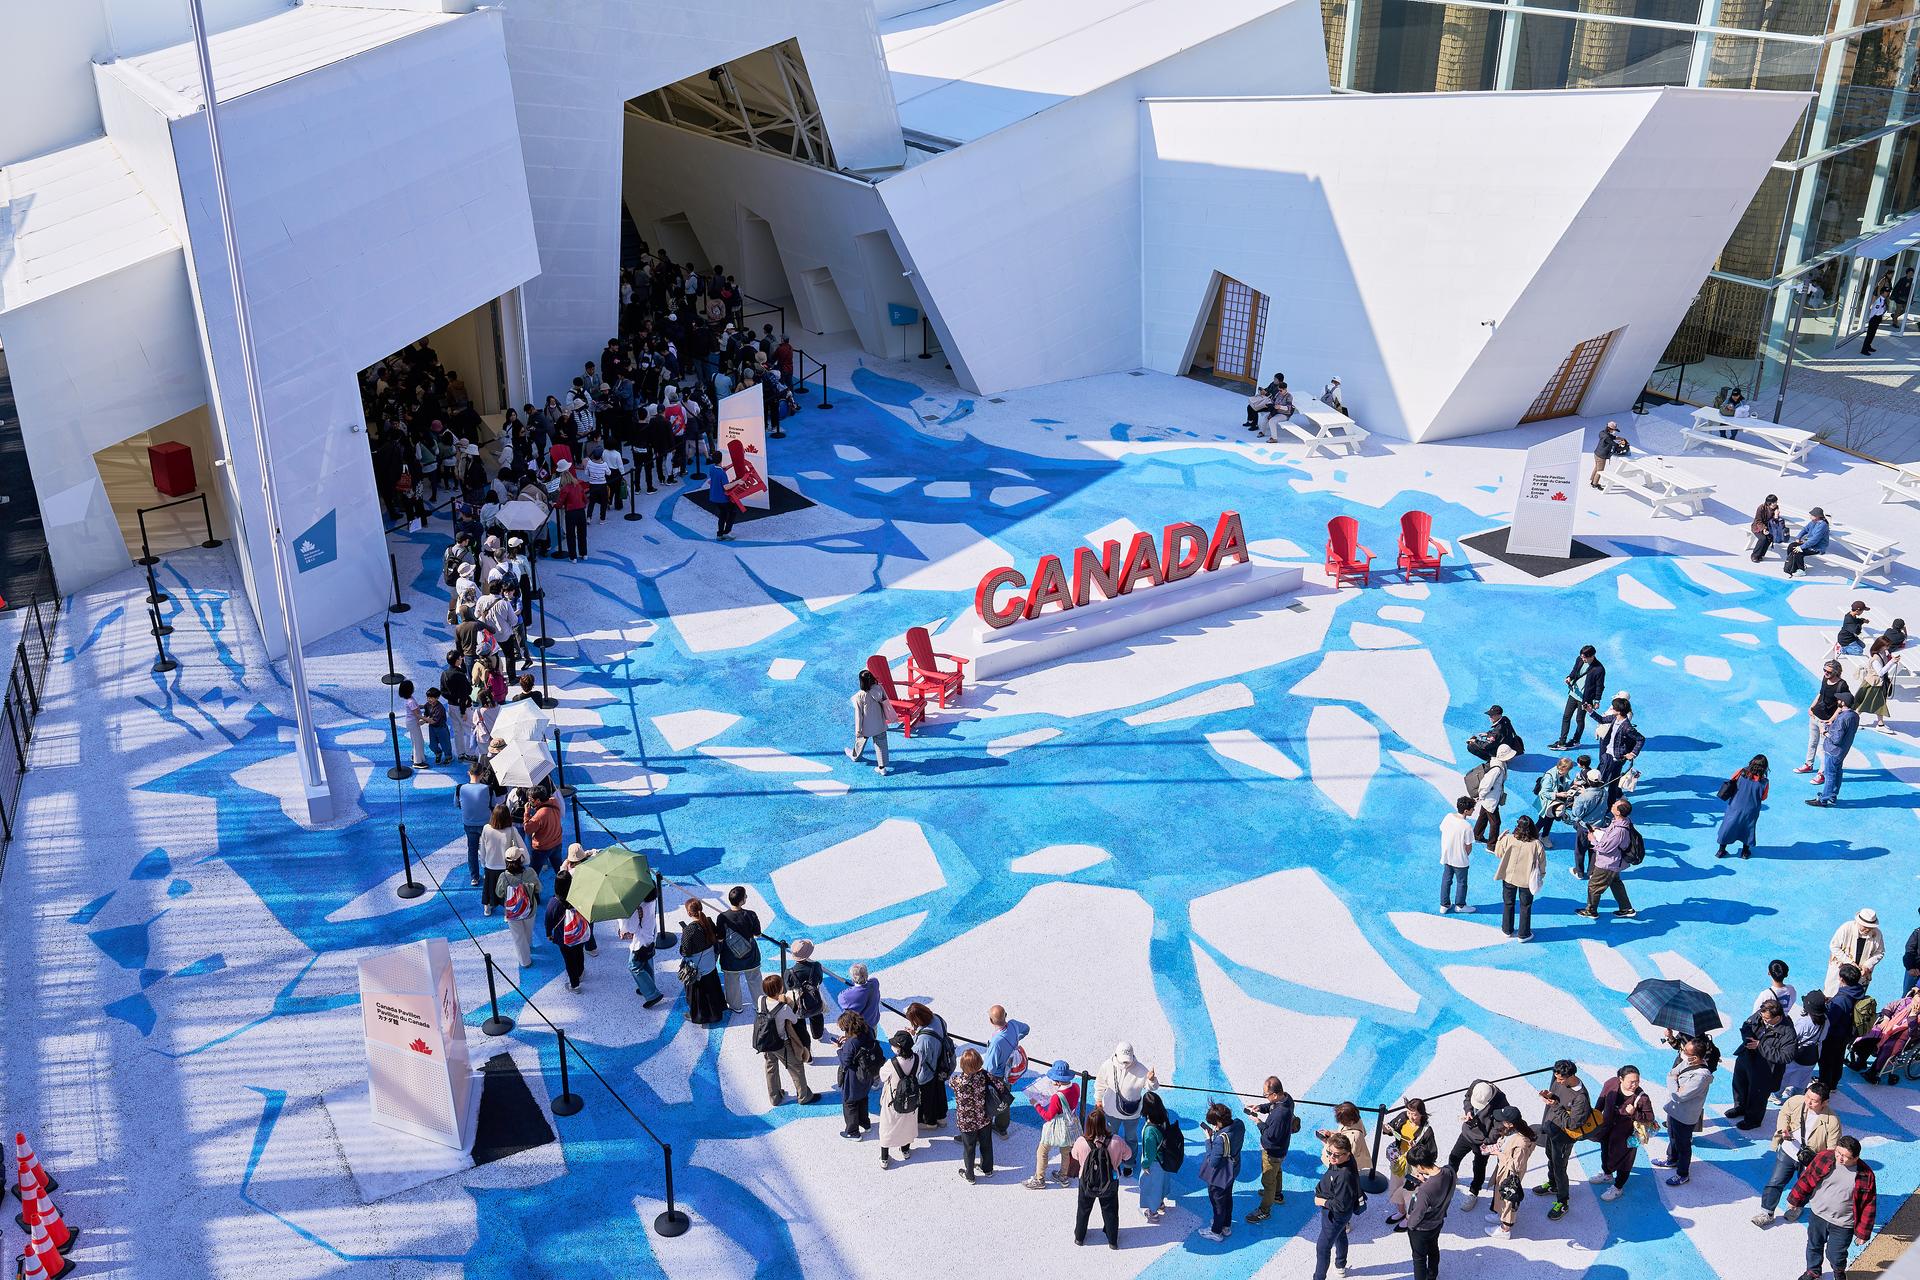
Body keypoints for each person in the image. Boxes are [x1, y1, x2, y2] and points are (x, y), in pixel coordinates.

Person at [1786, 1135, 1877, 1278]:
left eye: (1845, 1156)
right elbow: (1807, 1178)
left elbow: (1868, 1205)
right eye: (1838, 1153)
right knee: (1814, 1245)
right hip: (1818, 1214)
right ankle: (1813, 1270)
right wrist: (1794, 1200)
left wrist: (1863, 1233)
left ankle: (1839, 1272)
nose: (1840, 1158)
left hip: (1843, 1223)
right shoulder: (1824, 1157)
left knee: (1835, 1255)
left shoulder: (1866, 1175)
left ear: (1856, 1157)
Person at [1754, 1080, 1842, 1225]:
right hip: (1788, 1150)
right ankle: (1766, 1212)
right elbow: (1784, 1114)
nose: (1808, 1102)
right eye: (1807, 1096)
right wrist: (1783, 1129)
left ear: (1825, 1102)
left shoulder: (1832, 1121)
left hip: (1811, 1159)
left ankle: (1797, 1207)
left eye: (1814, 1101)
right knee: (1775, 1182)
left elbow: (1831, 1150)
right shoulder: (1795, 1101)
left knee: (1805, 1187)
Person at [1651, 1035, 1713, 1185]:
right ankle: (1671, 1159)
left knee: (1683, 1145)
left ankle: (1682, 1173)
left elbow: (1679, 1096)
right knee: (1672, 1136)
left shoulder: (1701, 1077)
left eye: (1686, 1051)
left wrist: (1675, 1085)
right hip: (1674, 1111)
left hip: (1685, 1116)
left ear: (1696, 1057)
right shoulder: (1687, 1062)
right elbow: (1671, 1074)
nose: (1683, 1053)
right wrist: (1676, 1083)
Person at [1536, 1059, 1591, 1220]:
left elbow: (1572, 1124)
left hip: (1564, 1137)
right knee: (1550, 1159)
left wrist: (1554, 1105)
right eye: (1556, 1078)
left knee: (1560, 1167)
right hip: (1552, 1130)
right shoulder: (1560, 1081)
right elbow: (1558, 1098)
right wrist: (1549, 1096)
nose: (1557, 1082)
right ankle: (1552, 1184)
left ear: (1571, 1076)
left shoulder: (1580, 1098)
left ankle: (1563, 1201)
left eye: (1560, 1079)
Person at [1731, 1000, 1798, 1129]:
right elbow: (1746, 1025)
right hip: (1746, 1057)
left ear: (1777, 1017)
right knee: (1740, 1084)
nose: (1763, 1019)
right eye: (1762, 1016)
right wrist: (1748, 1038)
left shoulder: (1788, 1033)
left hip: (1766, 1069)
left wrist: (1759, 1046)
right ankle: (1740, 1107)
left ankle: (1753, 1120)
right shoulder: (1762, 1014)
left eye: (1767, 1019)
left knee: (1758, 1096)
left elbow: (1786, 1056)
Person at [1591, 1065, 1653, 1201]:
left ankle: (1618, 1187)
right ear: (1620, 1079)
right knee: (1605, 1151)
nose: (1635, 1085)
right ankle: (1607, 1175)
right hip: (1607, 1128)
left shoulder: (1642, 1098)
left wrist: (1635, 1113)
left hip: (1626, 1136)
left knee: (1625, 1161)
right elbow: (1601, 1101)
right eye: (1631, 1082)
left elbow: (1649, 1118)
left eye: (1637, 1081)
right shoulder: (1611, 1084)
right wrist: (1594, 1118)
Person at [755, 973, 817, 1108]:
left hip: (765, 1042)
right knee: (796, 1068)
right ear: (780, 989)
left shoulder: (761, 1000)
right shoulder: (783, 1008)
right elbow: (794, 1020)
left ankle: (775, 1097)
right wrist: (788, 1003)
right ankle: (804, 1096)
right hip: (781, 1043)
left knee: (771, 1068)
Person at [1075, 1106, 1132, 1248]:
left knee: (1083, 1209)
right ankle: (1112, 1240)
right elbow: (1128, 1155)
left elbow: (1074, 1156)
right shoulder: (1116, 1141)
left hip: (1087, 1180)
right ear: (1104, 1123)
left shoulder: (1081, 1142)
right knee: (1110, 1210)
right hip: (1110, 1180)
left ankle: (1079, 1237)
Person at [1093, 1042, 1157, 1166]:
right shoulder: (1107, 1066)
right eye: (1123, 1060)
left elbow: (1151, 1087)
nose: (1125, 1063)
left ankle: (1129, 1163)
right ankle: (1109, 1160)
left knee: (1131, 1139)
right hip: (1111, 1110)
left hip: (1132, 1114)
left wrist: (1151, 1080)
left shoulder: (1141, 1069)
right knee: (1110, 1137)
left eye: (1127, 1060)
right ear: (1116, 1055)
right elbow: (1100, 1084)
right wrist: (1099, 1101)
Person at [1447, 1080, 1507, 1207]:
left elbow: (1499, 1127)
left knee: (1479, 1168)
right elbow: (1467, 1098)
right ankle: (1452, 1176)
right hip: (1467, 1133)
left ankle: (1474, 1192)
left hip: (1483, 1142)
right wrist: (1468, 1111)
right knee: (1454, 1156)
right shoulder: (1477, 1084)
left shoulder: (1500, 1101)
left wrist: (1487, 1142)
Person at [1246, 1075, 1297, 1222]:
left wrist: (1258, 1122)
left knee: (1268, 1181)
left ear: (1275, 1094)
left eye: (1266, 1095)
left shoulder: (1279, 1115)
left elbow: (1269, 1137)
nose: (1265, 1097)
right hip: (1282, 1148)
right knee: (1278, 1170)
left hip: (1272, 1152)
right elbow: (1272, 1106)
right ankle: (1277, 1195)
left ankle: (1264, 1210)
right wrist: (1260, 1107)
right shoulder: (1287, 1098)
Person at [1024, 1060, 1082, 1189]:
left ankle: (1039, 1179)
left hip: (1056, 1126)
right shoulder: (1076, 1087)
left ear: (1058, 1081)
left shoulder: (1057, 1097)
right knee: (1066, 1152)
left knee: (1042, 1151)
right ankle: (1063, 1176)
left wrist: (1036, 1104)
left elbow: (1048, 1116)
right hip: (1070, 1124)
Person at [1577, 799, 1639, 919]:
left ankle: (1591, 910)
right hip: (1615, 862)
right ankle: (1626, 908)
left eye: (1615, 805)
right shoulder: (1621, 822)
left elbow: (1605, 848)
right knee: (1615, 883)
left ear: (1618, 812)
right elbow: (1609, 833)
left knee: (1594, 886)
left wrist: (1592, 839)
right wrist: (1600, 830)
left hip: (1608, 863)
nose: (1612, 804)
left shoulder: (1619, 831)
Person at [1311, 1133, 1360, 1278]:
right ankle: (1340, 1265)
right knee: (1340, 1234)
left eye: (1337, 1155)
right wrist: (1329, 1142)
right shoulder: (1346, 1159)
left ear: (1347, 1154)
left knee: (1322, 1248)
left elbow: (1341, 1205)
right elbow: (1336, 1148)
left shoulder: (1345, 1176)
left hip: (1334, 1215)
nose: (1332, 1158)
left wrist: (1322, 1201)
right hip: (1341, 1216)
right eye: (1329, 1152)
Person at [1384, 1097, 1438, 1227]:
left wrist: (1418, 1148)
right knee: (1396, 1186)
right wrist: (1385, 1128)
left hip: (1414, 1165)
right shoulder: (1403, 1117)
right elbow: (1391, 1129)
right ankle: (1401, 1212)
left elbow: (1432, 1153)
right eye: (1409, 1112)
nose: (1410, 1116)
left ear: (1422, 1114)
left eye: (1414, 1114)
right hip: (1399, 1159)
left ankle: (1409, 1218)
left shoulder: (1426, 1131)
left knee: (1410, 1192)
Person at [953, 1047, 1001, 1182]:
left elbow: (951, 1083)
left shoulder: (958, 1081)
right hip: (984, 1117)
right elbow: (999, 1085)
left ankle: (970, 1174)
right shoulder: (985, 1076)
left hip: (966, 1122)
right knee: (986, 1144)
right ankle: (988, 1169)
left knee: (969, 1148)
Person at [1486, 1107, 1535, 1239]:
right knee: (1500, 1193)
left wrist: (1498, 1154)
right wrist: (1498, 1146)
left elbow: (1517, 1165)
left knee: (1509, 1199)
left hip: (1511, 1174)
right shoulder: (1515, 1130)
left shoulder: (1522, 1142)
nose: (1501, 1122)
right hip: (1504, 1169)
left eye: (1503, 1120)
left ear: (1510, 1123)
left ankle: (1505, 1229)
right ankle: (1500, 1214)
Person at [982, 1006, 1031, 1136]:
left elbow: (989, 1068)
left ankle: (984, 1125)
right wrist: (1014, 1040)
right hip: (1009, 1072)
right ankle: (1002, 1128)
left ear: (991, 1021)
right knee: (1004, 1100)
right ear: (1006, 1015)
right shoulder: (1014, 1025)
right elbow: (1026, 1029)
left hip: (998, 1076)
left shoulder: (996, 1042)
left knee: (992, 1099)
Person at [1495, 814, 1544, 942]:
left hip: (1509, 876)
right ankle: (1523, 934)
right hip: (1527, 880)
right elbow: (1542, 864)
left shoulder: (1509, 839)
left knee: (1508, 903)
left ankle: (1507, 929)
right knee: (1525, 906)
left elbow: (1498, 854)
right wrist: (1540, 877)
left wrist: (1500, 839)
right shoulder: (1536, 844)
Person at [716, 885, 763, 1015]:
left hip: (730, 957)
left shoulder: (722, 917)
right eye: (745, 896)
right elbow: (757, 934)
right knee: (755, 979)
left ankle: (736, 1006)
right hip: (750, 955)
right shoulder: (751, 914)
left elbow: (720, 938)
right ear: (742, 901)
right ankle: (759, 1005)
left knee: (731, 981)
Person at [1405, 1155, 1454, 1280]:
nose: (1415, 1170)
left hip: (1422, 1229)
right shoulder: (1449, 1171)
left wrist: (1409, 1224)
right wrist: (1425, 1182)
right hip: (1438, 1222)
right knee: (1433, 1249)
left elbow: (1417, 1215)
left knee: (1419, 1259)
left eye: (1415, 1167)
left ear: (1421, 1166)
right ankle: (1432, 1276)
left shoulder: (1424, 1191)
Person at [678, 900, 727, 1024]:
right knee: (712, 989)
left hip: (697, 968)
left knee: (696, 993)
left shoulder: (689, 930)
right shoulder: (708, 922)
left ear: (689, 913)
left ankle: (699, 1015)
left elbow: (685, 951)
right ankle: (716, 1012)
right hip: (710, 964)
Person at [1820, 965, 1868, 1090]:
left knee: (1826, 1061)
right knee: (1838, 1058)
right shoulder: (1859, 991)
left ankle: (1824, 1086)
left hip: (1834, 1035)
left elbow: (1830, 1020)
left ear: (1841, 979)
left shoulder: (1841, 999)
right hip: (1847, 1033)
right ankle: (1834, 1083)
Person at [1196, 1102, 1238, 1243]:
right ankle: (1226, 1226)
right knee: (1228, 1198)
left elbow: (1212, 1161)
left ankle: (1216, 1231)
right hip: (1233, 1169)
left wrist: (1209, 1140)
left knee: (1218, 1202)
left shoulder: (1220, 1140)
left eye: (1215, 1123)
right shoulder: (1239, 1125)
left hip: (1220, 1175)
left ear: (1219, 1122)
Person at [835, 1010, 880, 1140]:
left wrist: (839, 1049)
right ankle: (865, 1123)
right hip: (868, 1073)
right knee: (863, 1098)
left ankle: (852, 1132)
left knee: (850, 1102)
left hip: (854, 1077)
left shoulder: (851, 1043)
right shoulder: (869, 1030)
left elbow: (846, 1061)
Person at [876, 1030, 919, 1167]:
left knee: (887, 1127)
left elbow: (882, 1076)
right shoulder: (917, 1058)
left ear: (899, 1048)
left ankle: (884, 1157)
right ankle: (905, 1150)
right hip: (911, 1098)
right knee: (907, 1124)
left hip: (893, 1099)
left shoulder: (892, 1063)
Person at [1798, 661, 1850, 776]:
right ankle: (1808, 764)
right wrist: (1811, 707)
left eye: (1829, 671)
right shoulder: (1825, 679)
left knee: (1823, 748)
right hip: (1815, 715)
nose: (1825, 673)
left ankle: (1822, 773)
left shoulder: (1842, 685)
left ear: (1836, 672)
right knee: (1812, 742)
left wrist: (1831, 719)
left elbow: (1842, 705)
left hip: (1826, 721)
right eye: (1824, 670)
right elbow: (1820, 694)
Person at [1551, 645, 1606, 750]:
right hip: (1573, 694)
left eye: (1585, 657)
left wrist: (1597, 700)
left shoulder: (1599, 669)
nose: (1583, 659)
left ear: (1592, 656)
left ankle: (1576, 740)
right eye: (1582, 657)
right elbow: (1575, 670)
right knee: (1566, 717)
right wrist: (1569, 677)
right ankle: (1562, 742)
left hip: (1585, 699)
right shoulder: (1579, 659)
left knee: (1579, 720)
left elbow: (1600, 686)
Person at [1715, 755, 1770, 859]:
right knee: (1748, 829)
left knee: (1728, 826)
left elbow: (1731, 781)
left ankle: (1721, 850)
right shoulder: (1765, 782)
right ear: (1764, 767)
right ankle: (1745, 852)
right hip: (1751, 810)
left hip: (1735, 806)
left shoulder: (1741, 772)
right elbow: (1763, 797)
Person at [906, 1001, 951, 1127]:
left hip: (927, 1071)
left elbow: (916, 1057)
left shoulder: (923, 1041)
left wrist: (914, 1038)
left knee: (927, 1098)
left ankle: (929, 1122)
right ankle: (942, 1117)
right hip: (941, 1064)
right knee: (939, 1091)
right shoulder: (938, 1019)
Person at [544, 869, 590, 991]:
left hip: (564, 937)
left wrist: (548, 933)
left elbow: (549, 919)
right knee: (579, 952)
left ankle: (575, 985)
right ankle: (580, 973)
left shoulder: (554, 903)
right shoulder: (578, 897)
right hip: (579, 932)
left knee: (569, 960)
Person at [494, 849, 541, 968]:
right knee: (528, 930)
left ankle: (525, 961)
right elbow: (539, 889)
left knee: (518, 936)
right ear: (521, 859)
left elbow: (499, 893)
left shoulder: (503, 876)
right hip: (529, 909)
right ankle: (529, 945)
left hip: (513, 912)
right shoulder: (530, 872)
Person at [1593, 694, 1643, 804]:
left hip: (1616, 758)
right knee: (1605, 780)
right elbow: (1601, 719)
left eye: (1613, 708)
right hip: (1609, 754)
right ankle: (1604, 804)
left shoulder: (1627, 727)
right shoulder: (1615, 718)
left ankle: (1604, 805)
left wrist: (1633, 753)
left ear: (1619, 711)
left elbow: (1640, 739)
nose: (1611, 709)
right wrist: (1590, 711)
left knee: (1607, 782)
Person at [616, 887, 661, 1007]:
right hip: (650, 934)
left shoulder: (639, 907)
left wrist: (622, 928)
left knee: (633, 966)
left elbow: (631, 928)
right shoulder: (652, 901)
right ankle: (646, 986)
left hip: (641, 940)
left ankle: (652, 994)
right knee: (646, 960)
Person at [1827, 908, 1885, 998]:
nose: (1867, 930)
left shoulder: (1877, 934)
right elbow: (1834, 946)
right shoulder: (1846, 928)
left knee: (1854, 999)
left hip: (1861, 974)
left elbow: (1880, 952)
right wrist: (1850, 962)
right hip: (1841, 970)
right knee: (1831, 995)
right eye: (1865, 926)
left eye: (1870, 927)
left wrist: (1868, 965)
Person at [478, 803, 523, 916]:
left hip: (490, 865)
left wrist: (483, 862)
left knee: (488, 888)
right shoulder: (511, 830)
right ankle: (506, 913)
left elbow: (482, 847)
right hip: (506, 866)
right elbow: (520, 846)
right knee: (507, 891)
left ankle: (487, 909)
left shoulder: (486, 829)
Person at [1783, 990, 1830, 1099]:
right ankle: (1799, 1094)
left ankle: (1777, 1095)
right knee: (1804, 1077)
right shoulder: (1826, 1021)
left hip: (1799, 1054)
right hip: (1814, 1054)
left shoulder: (1804, 1021)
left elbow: (1794, 1036)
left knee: (1786, 1075)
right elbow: (1823, 1037)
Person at [1138, 1091, 1175, 1222]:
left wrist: (1145, 1165)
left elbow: (1149, 1151)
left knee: (1151, 1186)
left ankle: (1152, 1212)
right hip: (1164, 1159)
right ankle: (1160, 1203)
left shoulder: (1149, 1130)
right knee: (1162, 1183)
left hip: (1154, 1163)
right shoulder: (1164, 1119)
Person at [846, 669, 891, 776]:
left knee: (860, 740)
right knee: (881, 745)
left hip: (866, 726)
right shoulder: (879, 688)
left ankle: (855, 756)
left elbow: (859, 715)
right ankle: (882, 768)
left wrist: (858, 730)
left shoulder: (860, 696)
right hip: (880, 723)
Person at [1471, 743, 1515, 851]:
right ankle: (1491, 845)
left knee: (1483, 816)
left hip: (1491, 797)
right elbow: (1486, 784)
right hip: (1490, 799)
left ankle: (1476, 835)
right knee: (1496, 822)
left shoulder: (1499, 764)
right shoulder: (1497, 769)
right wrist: (1481, 795)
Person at [1567, 766, 1608, 879]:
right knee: (1594, 851)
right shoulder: (1605, 792)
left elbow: (1576, 813)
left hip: (1585, 827)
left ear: (1588, 781)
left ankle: (1579, 872)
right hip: (1599, 826)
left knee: (1580, 850)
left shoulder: (1583, 797)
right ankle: (1592, 872)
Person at [457, 764, 493, 888]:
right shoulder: (488, 788)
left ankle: (474, 877)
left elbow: (457, 804)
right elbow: (492, 804)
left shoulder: (460, 788)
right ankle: (489, 874)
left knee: (472, 850)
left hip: (469, 824)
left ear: (469, 773)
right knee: (488, 849)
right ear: (482, 774)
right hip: (485, 824)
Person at [1439, 795, 1474, 914]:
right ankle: (1460, 905)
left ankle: (1444, 905)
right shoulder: (1467, 826)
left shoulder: (1448, 817)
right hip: (1460, 860)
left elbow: (1442, 829)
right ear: (1466, 811)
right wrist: (1464, 854)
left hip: (1447, 856)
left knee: (1446, 880)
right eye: (1472, 809)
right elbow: (1468, 846)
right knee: (1462, 883)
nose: (1473, 810)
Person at [1533, 756, 1577, 846]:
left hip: (1554, 802)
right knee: (1542, 820)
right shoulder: (1549, 777)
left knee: (1550, 820)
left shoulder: (1562, 774)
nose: (1569, 771)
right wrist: (1558, 794)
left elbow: (1565, 785)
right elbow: (1544, 792)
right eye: (1568, 769)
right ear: (1563, 768)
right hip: (1547, 803)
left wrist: (1571, 789)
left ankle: (1543, 836)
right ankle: (1532, 836)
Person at [789, 941, 827, 1043]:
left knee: (799, 1019)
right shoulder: (816, 966)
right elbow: (820, 980)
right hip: (814, 996)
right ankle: (818, 1035)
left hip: (798, 1001)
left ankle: (803, 1038)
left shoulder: (789, 972)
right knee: (817, 1015)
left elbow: (788, 987)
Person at [1855, 637, 1894, 729]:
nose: (1888, 647)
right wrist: (1892, 662)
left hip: (1876, 684)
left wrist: (1890, 659)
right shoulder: (1875, 659)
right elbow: (1880, 672)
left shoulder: (1883, 653)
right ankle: (1853, 720)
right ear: (1881, 646)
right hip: (1874, 685)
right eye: (1886, 646)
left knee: (1879, 704)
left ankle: (1880, 724)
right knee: (1864, 704)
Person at [1784, 506, 1831, 577]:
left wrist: (1801, 547)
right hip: (1808, 543)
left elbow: (1815, 540)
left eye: (1812, 515)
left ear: (1817, 516)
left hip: (1817, 547)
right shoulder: (1813, 522)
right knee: (1791, 546)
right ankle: (1792, 563)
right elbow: (1805, 529)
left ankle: (1801, 570)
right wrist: (1798, 537)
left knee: (1798, 552)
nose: (1810, 516)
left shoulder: (1823, 525)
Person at [837, 963, 882, 1031]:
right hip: (872, 1023)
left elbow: (841, 999)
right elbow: (872, 979)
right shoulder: (875, 983)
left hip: (858, 1029)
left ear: (852, 978)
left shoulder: (844, 996)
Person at [1589, 420, 1628, 489]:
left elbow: (1612, 437)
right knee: (1600, 471)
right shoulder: (1607, 437)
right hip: (1601, 456)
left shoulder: (1602, 433)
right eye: (1614, 430)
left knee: (1596, 467)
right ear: (1609, 429)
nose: (1614, 431)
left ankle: (1592, 480)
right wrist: (1621, 443)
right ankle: (1595, 484)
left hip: (1596, 453)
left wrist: (1621, 438)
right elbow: (1614, 444)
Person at [708, 450, 736, 540]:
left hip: (714, 497)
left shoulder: (712, 468)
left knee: (722, 515)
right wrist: (738, 482)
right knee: (732, 513)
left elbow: (720, 470)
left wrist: (731, 465)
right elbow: (726, 487)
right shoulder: (722, 474)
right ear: (721, 459)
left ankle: (719, 534)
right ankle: (726, 533)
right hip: (723, 499)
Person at [1751, 494, 1786, 562]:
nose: (1775, 504)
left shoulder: (1776, 508)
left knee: (1769, 538)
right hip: (1757, 527)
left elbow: (1775, 523)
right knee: (1763, 538)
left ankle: (1761, 555)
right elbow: (1758, 520)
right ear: (1769, 503)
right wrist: (1763, 529)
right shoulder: (1761, 508)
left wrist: (1776, 516)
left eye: (1776, 502)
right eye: (1774, 503)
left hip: (1769, 527)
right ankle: (1754, 555)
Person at [1862, 288, 1889, 354]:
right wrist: (1871, 319)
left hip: (1878, 318)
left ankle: (1868, 346)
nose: (1887, 293)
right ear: (1882, 293)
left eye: (1888, 292)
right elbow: (1873, 311)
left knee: (1873, 334)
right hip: (1874, 318)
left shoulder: (1884, 300)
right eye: (1886, 292)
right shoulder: (1878, 301)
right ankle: (1864, 350)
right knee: (1869, 335)